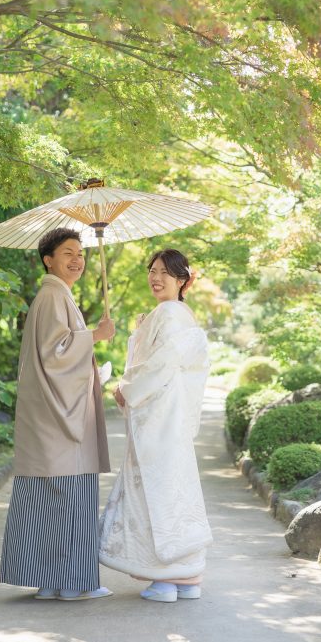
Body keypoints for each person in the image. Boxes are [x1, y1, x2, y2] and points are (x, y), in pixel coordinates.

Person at [0, 228, 116, 601]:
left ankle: (50, 582)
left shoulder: (55, 295)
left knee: (48, 500)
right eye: (68, 252)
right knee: (69, 496)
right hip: (60, 419)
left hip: (49, 417)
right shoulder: (52, 295)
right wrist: (96, 335)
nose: (78, 259)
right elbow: (57, 354)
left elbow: (57, 353)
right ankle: (72, 583)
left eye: (81, 253)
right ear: (48, 259)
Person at [99, 249, 212, 603]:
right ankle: (186, 578)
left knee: (154, 492)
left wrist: (126, 389)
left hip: (159, 418)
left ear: (182, 280)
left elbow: (160, 364)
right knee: (173, 490)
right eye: (152, 270)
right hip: (169, 419)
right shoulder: (177, 314)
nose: (156, 277)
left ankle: (165, 579)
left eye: (166, 272)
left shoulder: (169, 313)